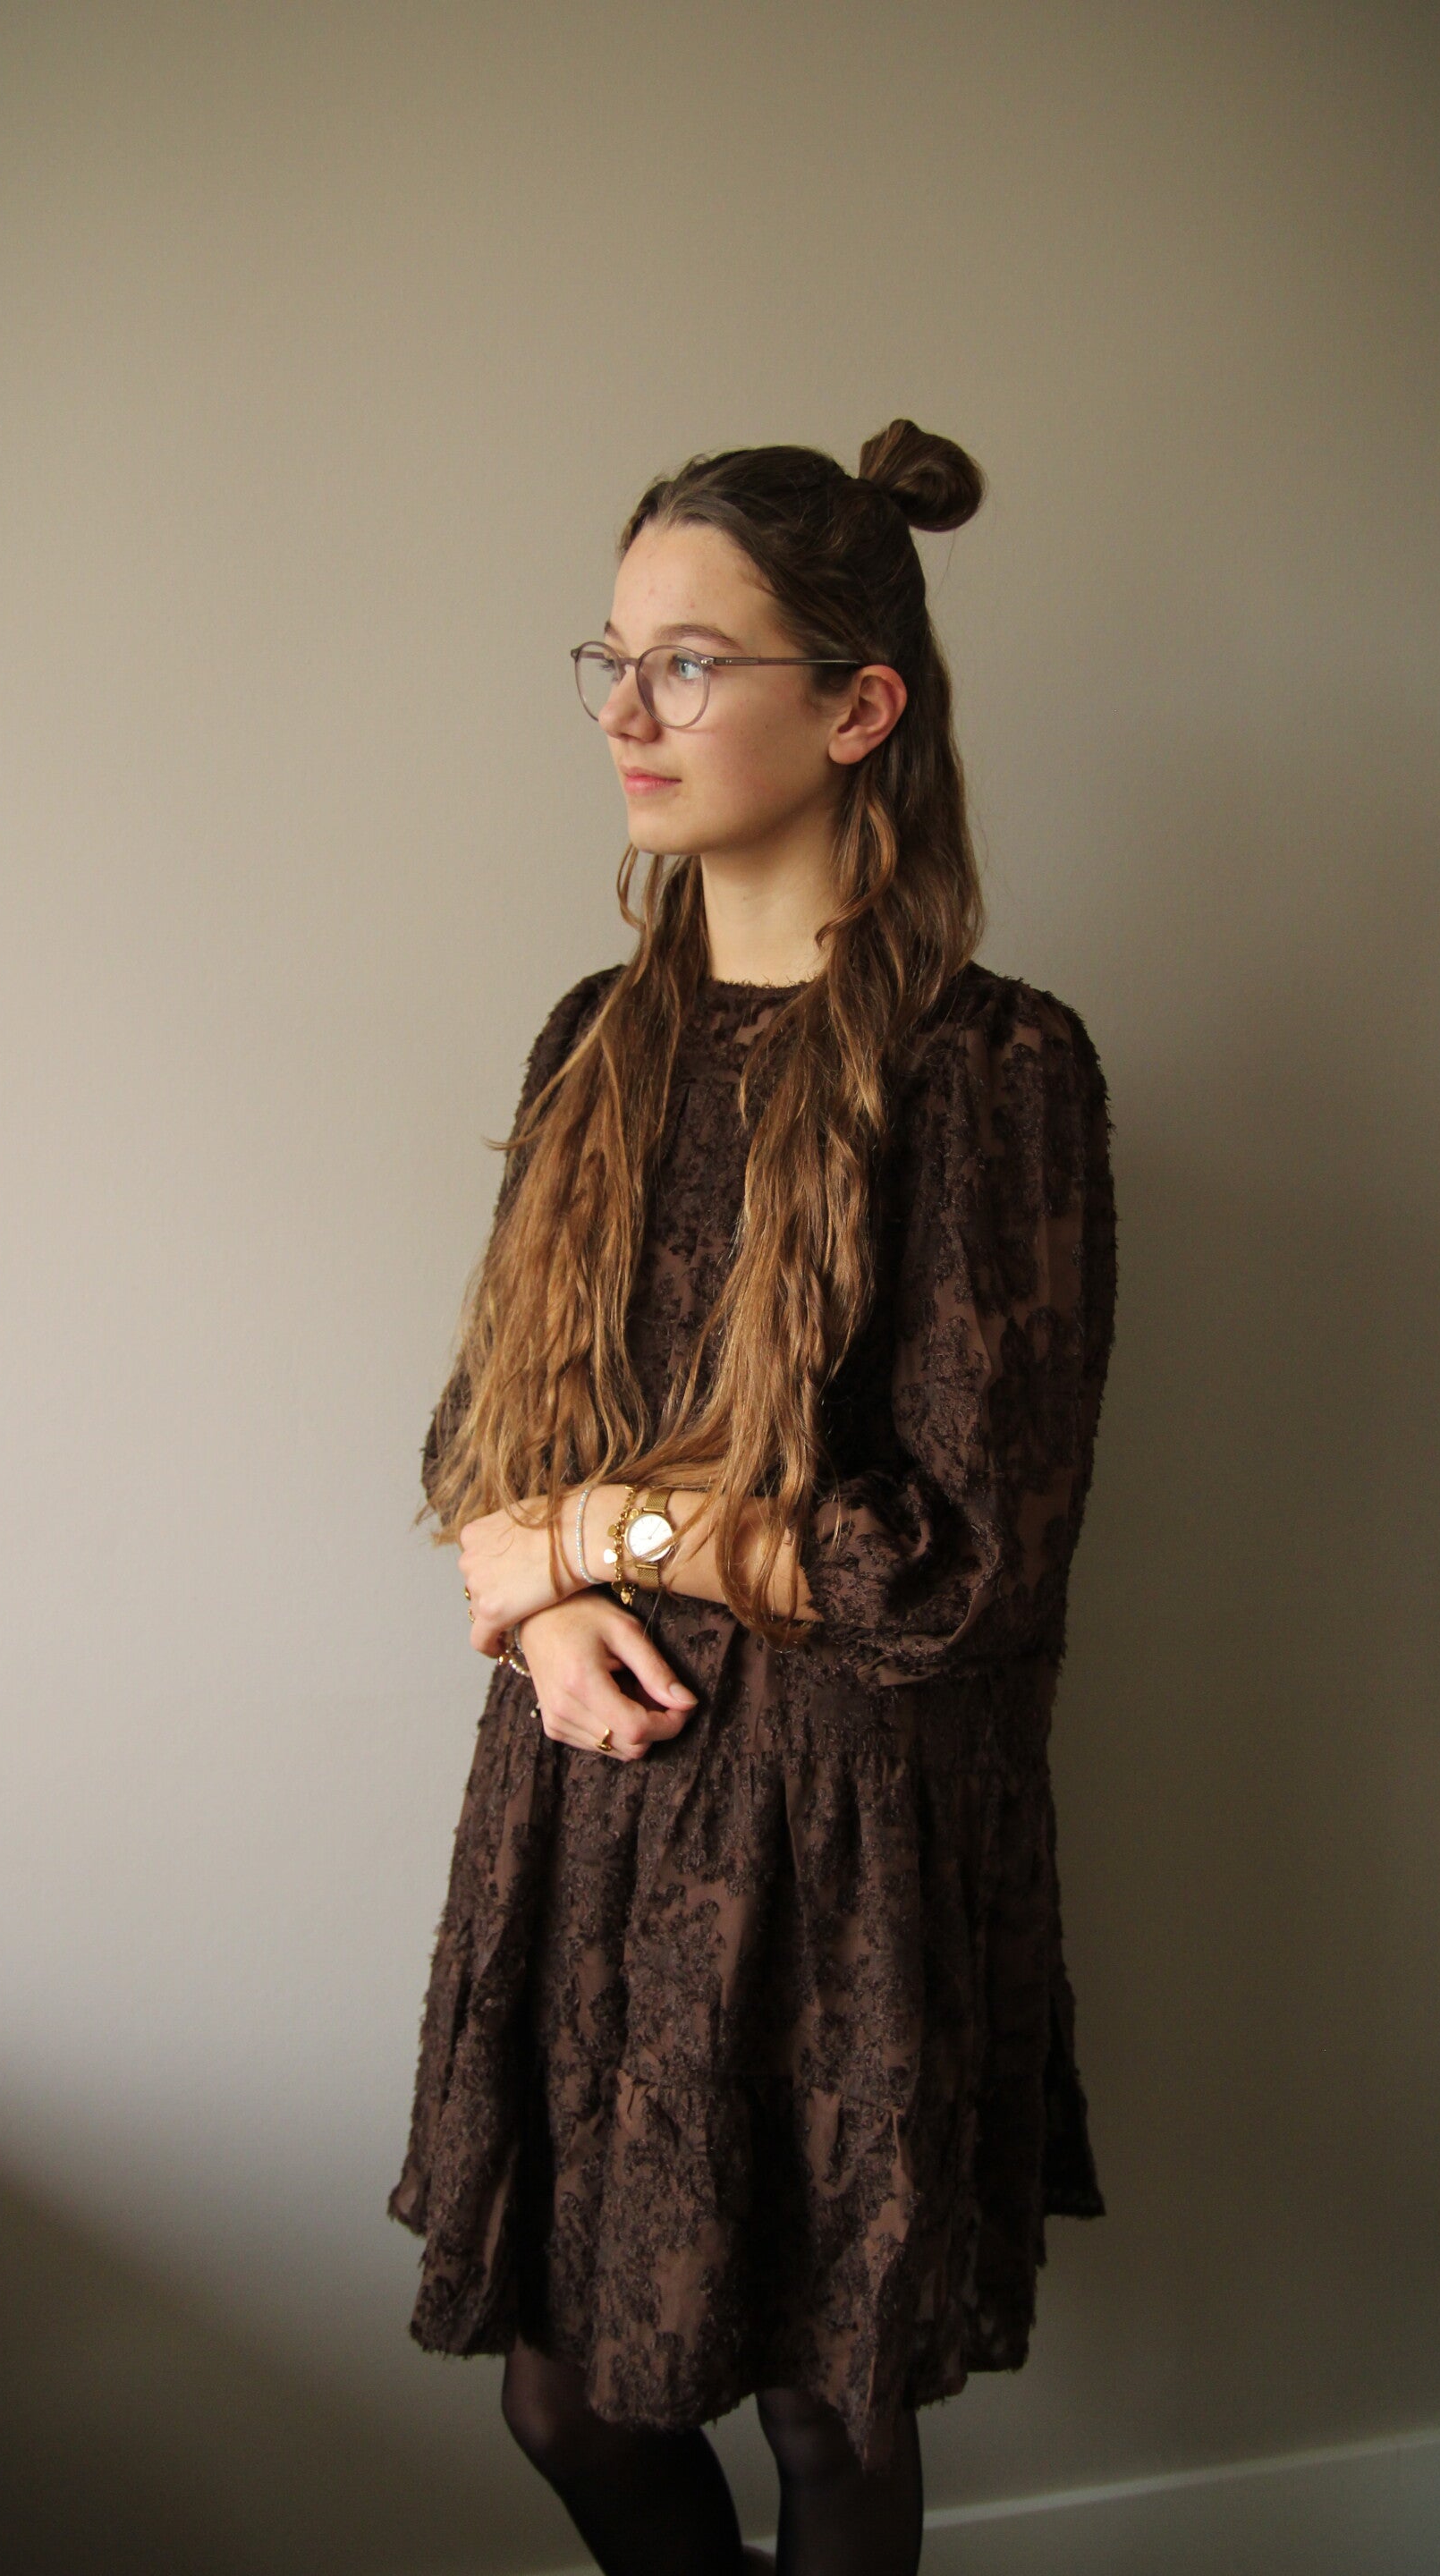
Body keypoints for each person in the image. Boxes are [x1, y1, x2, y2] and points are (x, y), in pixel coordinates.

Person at [387, 420, 1117, 2576]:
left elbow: (962, 1567)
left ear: (860, 707)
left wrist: (594, 1538)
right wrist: (537, 1598)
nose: (628, 713)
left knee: (824, 2402)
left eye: (691, 666)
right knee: (567, 2399)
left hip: (841, 1836)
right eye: (611, 661)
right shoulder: (591, 1043)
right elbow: (484, 1453)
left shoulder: (992, 1068)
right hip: (595, 1810)